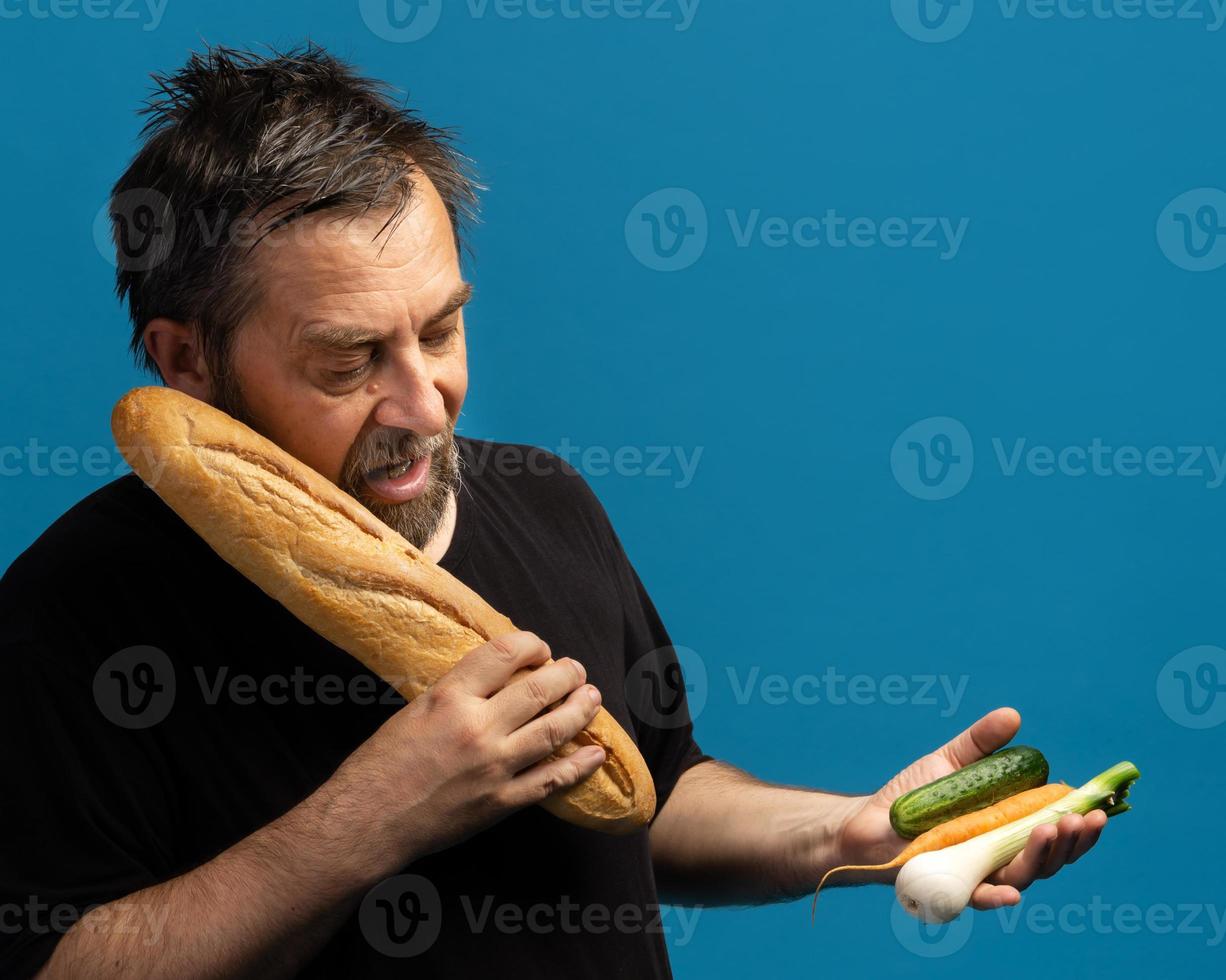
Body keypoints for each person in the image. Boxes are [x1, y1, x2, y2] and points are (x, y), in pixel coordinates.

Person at [0, 44, 1106, 979]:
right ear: (184, 361)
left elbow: (653, 794)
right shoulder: (71, 609)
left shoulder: (542, 497)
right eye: (347, 360)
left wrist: (843, 831)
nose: (424, 401)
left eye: (438, 330)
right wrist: (374, 814)